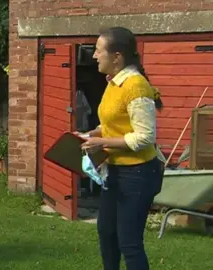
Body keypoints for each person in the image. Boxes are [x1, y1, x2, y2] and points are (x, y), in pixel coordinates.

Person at [79, 27, 164, 270]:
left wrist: (101, 142)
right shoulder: (113, 83)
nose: (94, 56)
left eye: (98, 51)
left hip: (137, 174)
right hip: (114, 173)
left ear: (117, 56)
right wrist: (89, 135)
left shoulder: (135, 86)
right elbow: (111, 125)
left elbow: (145, 137)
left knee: (129, 243)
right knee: (107, 235)